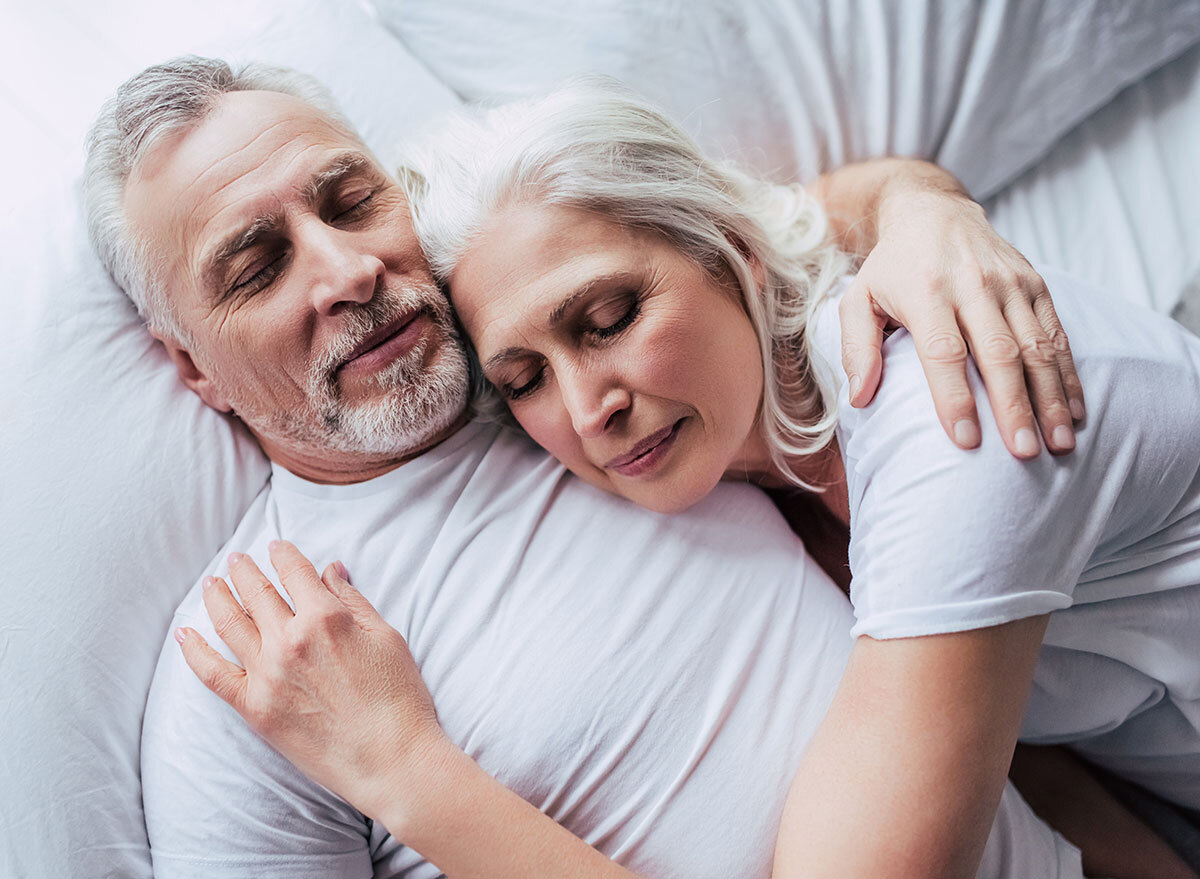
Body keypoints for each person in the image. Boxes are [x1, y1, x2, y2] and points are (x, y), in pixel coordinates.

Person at [83, 57, 1156, 878]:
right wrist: (403, 774)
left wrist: (923, 207)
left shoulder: (581, 393)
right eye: (257, 266)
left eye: (351, 200)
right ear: (194, 369)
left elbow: (741, 228)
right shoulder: (254, 665)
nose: (346, 268)